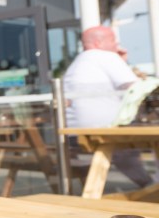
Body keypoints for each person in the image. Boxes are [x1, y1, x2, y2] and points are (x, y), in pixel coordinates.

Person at [63, 25, 158, 189]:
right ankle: (152, 187)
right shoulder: (105, 57)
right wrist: (121, 62)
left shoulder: (77, 64)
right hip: (103, 133)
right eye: (113, 39)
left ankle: (150, 186)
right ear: (98, 42)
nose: (117, 44)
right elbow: (139, 90)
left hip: (74, 138)